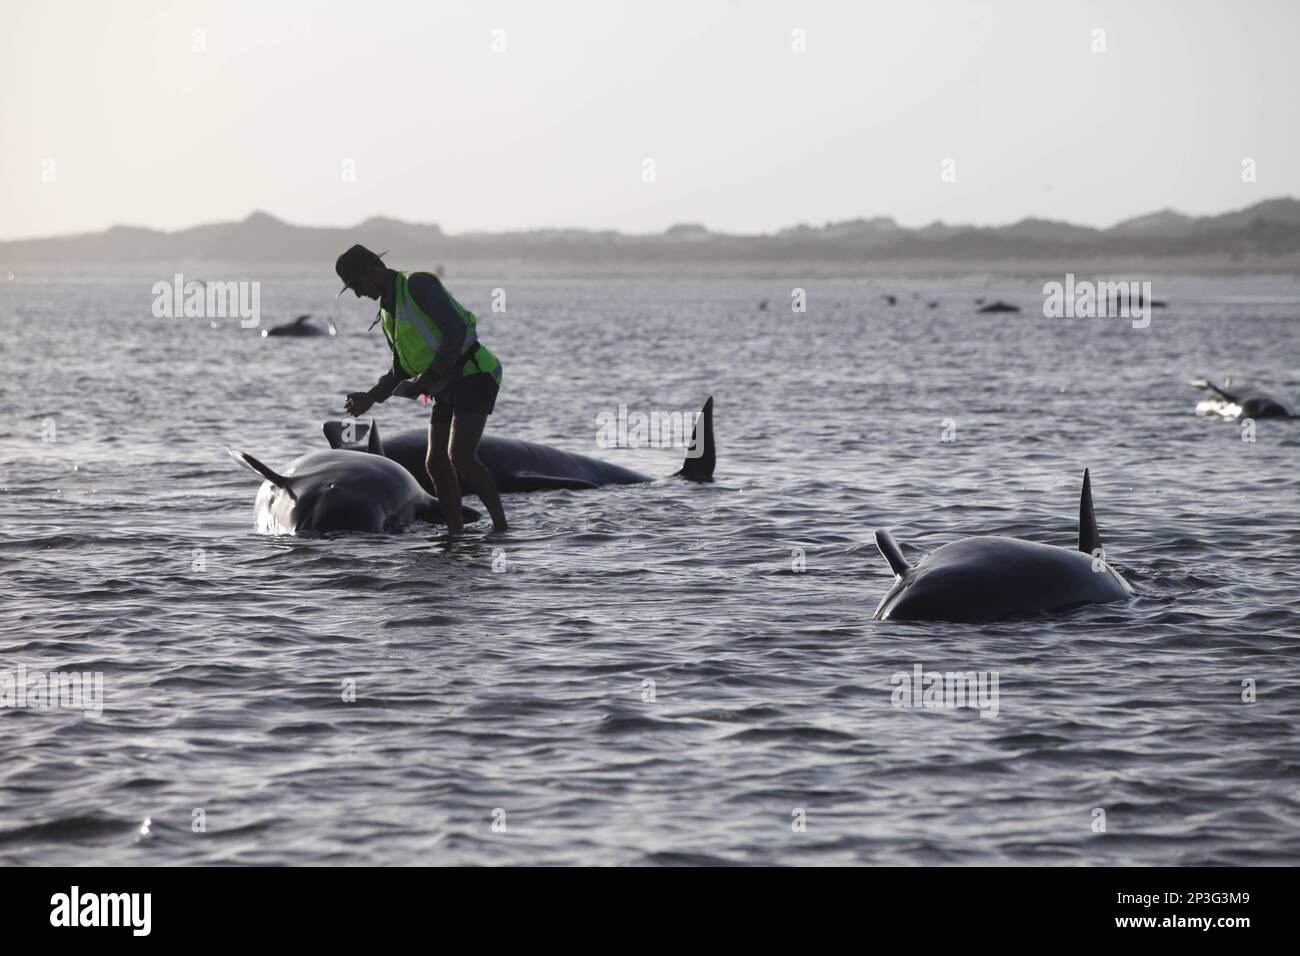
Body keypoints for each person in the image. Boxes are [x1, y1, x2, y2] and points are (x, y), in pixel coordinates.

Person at [334, 244, 507, 533]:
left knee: (461, 457)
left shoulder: (417, 285)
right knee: (436, 463)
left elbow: (456, 329)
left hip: (475, 373)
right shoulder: (387, 314)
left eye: (357, 285)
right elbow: (399, 370)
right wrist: (371, 398)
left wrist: (433, 374)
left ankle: (501, 528)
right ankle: (455, 535)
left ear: (374, 269)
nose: (358, 293)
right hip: (444, 386)